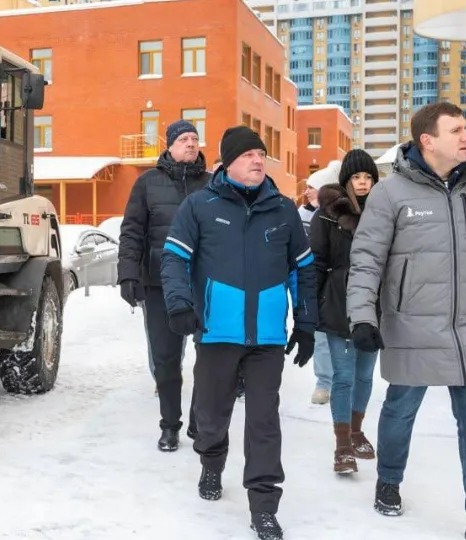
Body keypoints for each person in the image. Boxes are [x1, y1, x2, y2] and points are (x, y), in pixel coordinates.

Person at [346, 102, 466, 540]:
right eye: (457, 130)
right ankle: (389, 479)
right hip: (412, 325)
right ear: (428, 140)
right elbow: (366, 259)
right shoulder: (390, 194)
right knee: (402, 409)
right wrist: (362, 317)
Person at [160, 126, 316, 540]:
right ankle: (211, 463)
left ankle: (264, 503)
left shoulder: (282, 210)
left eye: (260, 154)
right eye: (248, 154)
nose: (257, 160)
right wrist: (178, 304)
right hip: (215, 332)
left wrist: (305, 321)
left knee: (264, 421)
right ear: (228, 162)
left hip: (266, 339)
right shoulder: (199, 207)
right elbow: (173, 259)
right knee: (212, 415)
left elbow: (304, 269)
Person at [117, 119, 211, 451]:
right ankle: (169, 425)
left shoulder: (212, 184)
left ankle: (200, 422)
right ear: (169, 145)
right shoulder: (147, 183)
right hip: (159, 284)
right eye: (184, 138)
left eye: (195, 139)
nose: (191, 143)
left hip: (204, 284)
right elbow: (131, 232)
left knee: (209, 356)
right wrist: (128, 273)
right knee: (166, 359)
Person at [308, 149, 380, 475]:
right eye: (356, 177)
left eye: (368, 177)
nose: (363, 183)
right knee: (343, 376)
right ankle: (342, 445)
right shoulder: (325, 216)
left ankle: (356, 429)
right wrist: (313, 304)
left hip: (375, 304)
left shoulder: (384, 214)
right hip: (338, 302)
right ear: (346, 180)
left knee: (364, 375)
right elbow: (316, 264)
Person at [299, 161, 340, 405]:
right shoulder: (303, 215)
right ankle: (324, 382)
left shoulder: (343, 216)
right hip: (314, 280)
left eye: (312, 188)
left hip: (338, 282)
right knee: (321, 334)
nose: (307, 191)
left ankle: (346, 381)